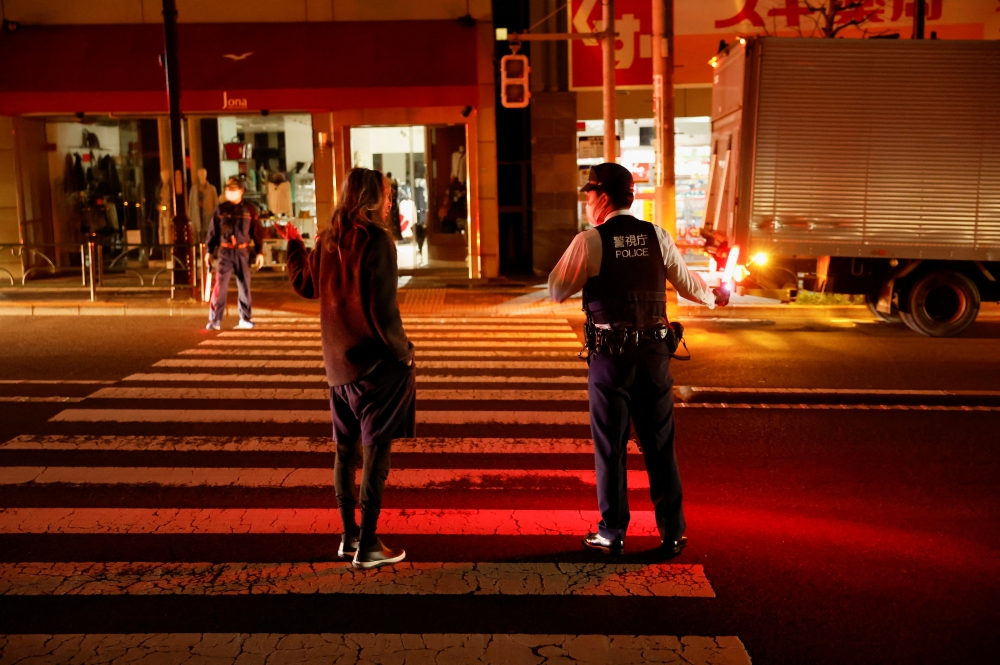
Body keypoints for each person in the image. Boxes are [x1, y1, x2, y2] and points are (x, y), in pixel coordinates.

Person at [548, 163, 730, 557]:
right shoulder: (656, 235)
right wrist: (717, 296)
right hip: (653, 356)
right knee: (660, 444)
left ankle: (612, 533)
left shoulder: (591, 240)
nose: (586, 202)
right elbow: (690, 284)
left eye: (589, 194)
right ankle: (673, 533)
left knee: (611, 448)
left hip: (611, 359)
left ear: (604, 198)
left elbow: (557, 289)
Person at [276, 167, 415, 570]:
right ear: (373, 198)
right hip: (375, 367)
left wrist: (295, 247)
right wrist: (404, 352)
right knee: (375, 455)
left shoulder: (330, 239)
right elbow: (382, 310)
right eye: (387, 195)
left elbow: (305, 284)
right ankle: (370, 545)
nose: (390, 202)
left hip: (338, 370)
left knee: (343, 453)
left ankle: (348, 536)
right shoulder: (377, 242)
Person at [204, 176, 264, 331]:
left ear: (241, 191)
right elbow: (212, 232)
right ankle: (215, 319)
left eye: (233, 189)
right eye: (228, 189)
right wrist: (209, 252)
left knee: (244, 286)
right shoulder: (220, 209)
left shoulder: (249, 209)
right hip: (225, 251)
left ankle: (245, 318)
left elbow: (256, 232)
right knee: (220, 286)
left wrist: (260, 252)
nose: (229, 192)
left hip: (243, 251)